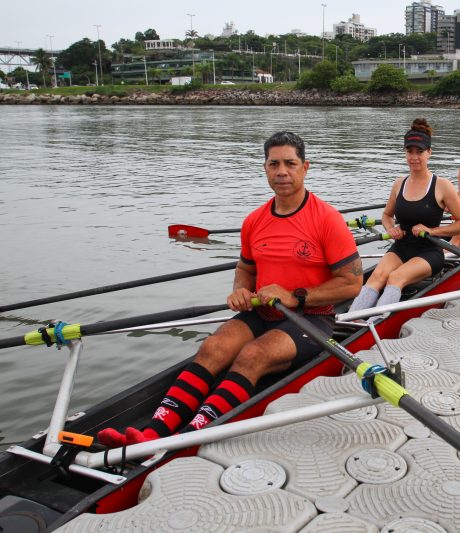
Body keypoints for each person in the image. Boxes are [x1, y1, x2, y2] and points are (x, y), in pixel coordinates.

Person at [98, 132, 362, 446]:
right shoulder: (254, 221)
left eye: (290, 164)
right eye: (274, 164)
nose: (282, 171)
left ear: (305, 167)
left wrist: (297, 296)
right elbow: (246, 270)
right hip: (262, 312)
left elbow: (352, 283)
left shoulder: (328, 220)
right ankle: (151, 434)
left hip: (310, 319)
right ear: (264, 168)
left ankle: (184, 439)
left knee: (252, 355)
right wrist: (239, 290)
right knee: (212, 348)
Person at [347, 118, 460, 318]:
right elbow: (387, 215)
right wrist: (390, 228)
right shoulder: (399, 184)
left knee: (395, 277)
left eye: (419, 152)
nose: (414, 157)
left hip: (429, 250)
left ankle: (374, 326)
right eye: (409, 151)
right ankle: (350, 320)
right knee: (377, 276)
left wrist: (432, 231)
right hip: (402, 247)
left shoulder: (442, 185)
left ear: (429, 153)